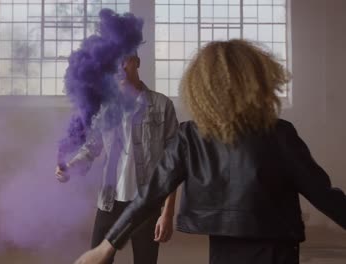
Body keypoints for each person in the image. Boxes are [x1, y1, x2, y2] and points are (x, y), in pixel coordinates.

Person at [74, 39, 346, 264]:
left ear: (199, 86)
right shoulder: (280, 133)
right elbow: (325, 196)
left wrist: (107, 246)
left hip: (224, 251)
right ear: (258, 79)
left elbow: (149, 193)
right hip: (276, 251)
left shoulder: (190, 135)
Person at [56, 51, 179, 264]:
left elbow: (174, 163)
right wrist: (70, 167)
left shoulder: (162, 105)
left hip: (147, 203)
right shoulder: (106, 108)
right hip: (110, 202)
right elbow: (90, 149)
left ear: (137, 62)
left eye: (126, 60)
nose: (120, 67)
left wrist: (167, 213)